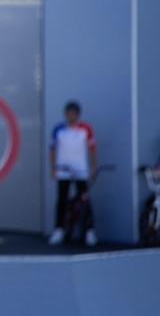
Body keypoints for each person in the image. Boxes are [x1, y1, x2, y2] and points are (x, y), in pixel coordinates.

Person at [48, 101, 98, 246]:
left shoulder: (86, 129)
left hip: (81, 170)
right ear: (65, 114)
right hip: (63, 170)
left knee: (85, 199)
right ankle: (59, 229)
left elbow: (92, 149)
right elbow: (52, 150)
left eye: (74, 113)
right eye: (69, 113)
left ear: (78, 114)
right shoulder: (58, 129)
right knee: (62, 199)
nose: (72, 116)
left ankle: (90, 231)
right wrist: (53, 168)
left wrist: (93, 167)